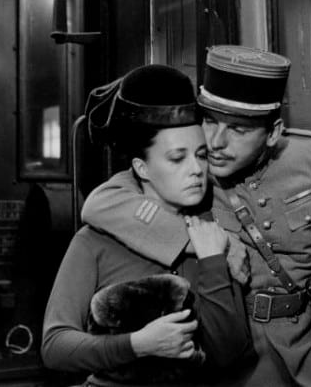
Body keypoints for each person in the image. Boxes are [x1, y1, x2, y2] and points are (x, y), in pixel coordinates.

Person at [81, 45, 311, 386]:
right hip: (228, 353)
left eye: (239, 130)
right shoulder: (190, 168)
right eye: (209, 120)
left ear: (273, 132)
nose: (216, 142)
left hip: (305, 346)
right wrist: (214, 243)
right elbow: (100, 203)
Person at [41, 64, 254, 387]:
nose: (196, 170)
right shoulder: (94, 241)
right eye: (177, 158)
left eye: (201, 155)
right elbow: (55, 346)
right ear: (141, 168)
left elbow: (229, 355)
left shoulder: (212, 236)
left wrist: (213, 261)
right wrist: (137, 345)